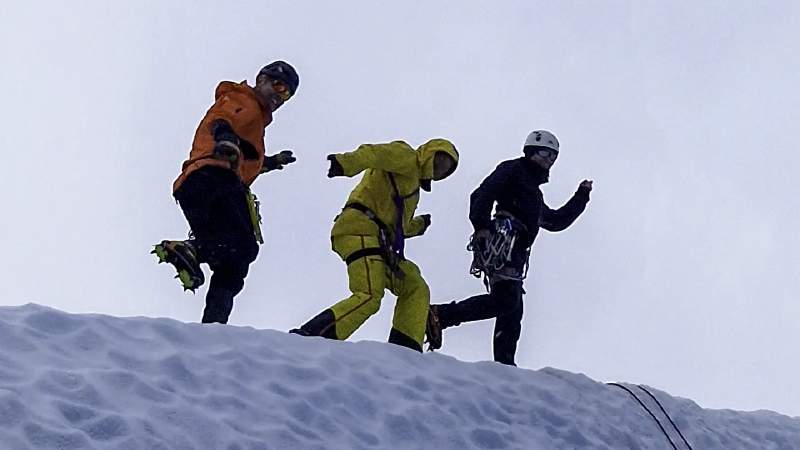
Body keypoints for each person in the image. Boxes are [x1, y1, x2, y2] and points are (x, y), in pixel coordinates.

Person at [425, 130, 592, 365]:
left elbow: (555, 221)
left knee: (512, 310)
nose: (548, 160)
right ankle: (442, 315)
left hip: (516, 250)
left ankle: (504, 366)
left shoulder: (534, 195)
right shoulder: (513, 170)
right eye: (545, 153)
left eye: (553, 157)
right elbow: (482, 194)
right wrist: (482, 227)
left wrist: (581, 196)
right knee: (506, 302)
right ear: (532, 151)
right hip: (503, 240)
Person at [153, 61, 299, 324]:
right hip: (213, 178)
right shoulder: (243, 100)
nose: (280, 95)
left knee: (233, 263)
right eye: (277, 85)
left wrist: (270, 162)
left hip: (199, 185)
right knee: (242, 247)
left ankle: (214, 324)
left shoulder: (256, 121)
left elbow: (244, 152)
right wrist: (225, 138)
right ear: (261, 79)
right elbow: (223, 120)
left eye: (287, 93)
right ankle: (192, 250)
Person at [290, 139, 459, 352]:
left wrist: (418, 225)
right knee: (369, 294)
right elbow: (374, 154)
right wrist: (345, 163)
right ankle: (311, 336)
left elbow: (399, 227)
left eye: (446, 170)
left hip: (380, 240)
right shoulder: (406, 156)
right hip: (358, 228)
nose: (440, 170)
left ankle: (405, 347)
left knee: (414, 284)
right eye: (440, 160)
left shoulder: (413, 189)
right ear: (429, 152)